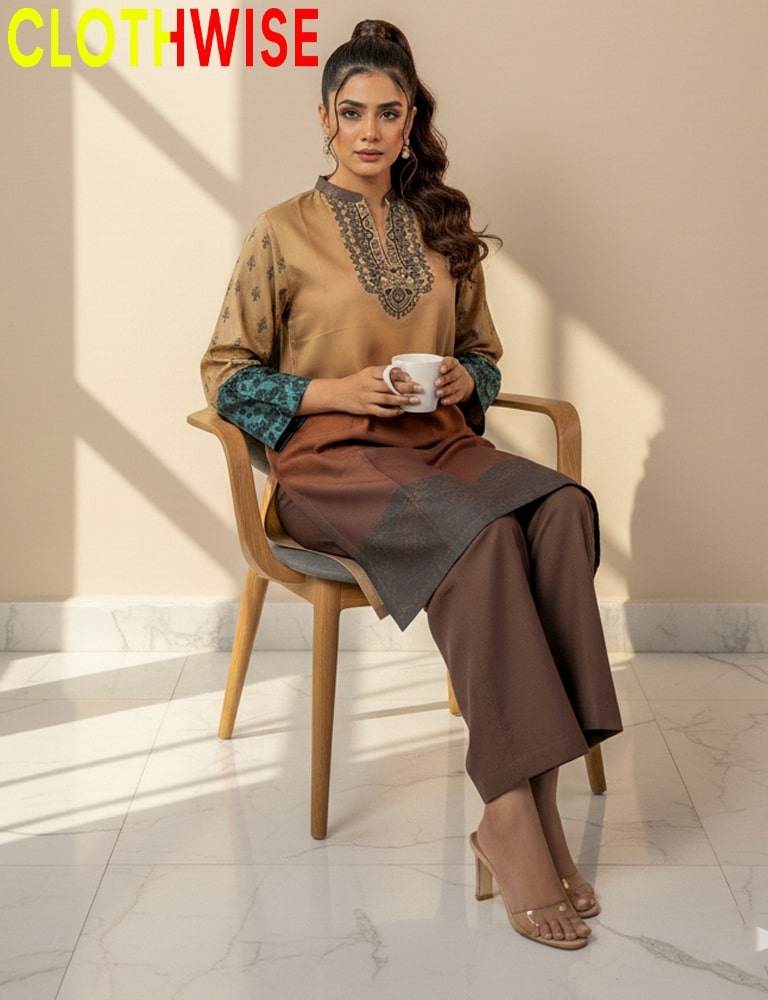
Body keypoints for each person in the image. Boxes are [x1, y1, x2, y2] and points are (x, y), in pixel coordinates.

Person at [201, 19, 622, 950]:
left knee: (554, 510)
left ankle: (538, 803)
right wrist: (327, 391)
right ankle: (508, 813)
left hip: (438, 447)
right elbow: (225, 375)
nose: (371, 131)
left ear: (409, 120)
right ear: (324, 119)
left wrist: (473, 380)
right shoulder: (280, 232)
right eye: (352, 112)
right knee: (478, 532)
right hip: (331, 465)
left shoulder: (438, 226)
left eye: (390, 113)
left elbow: (483, 357)